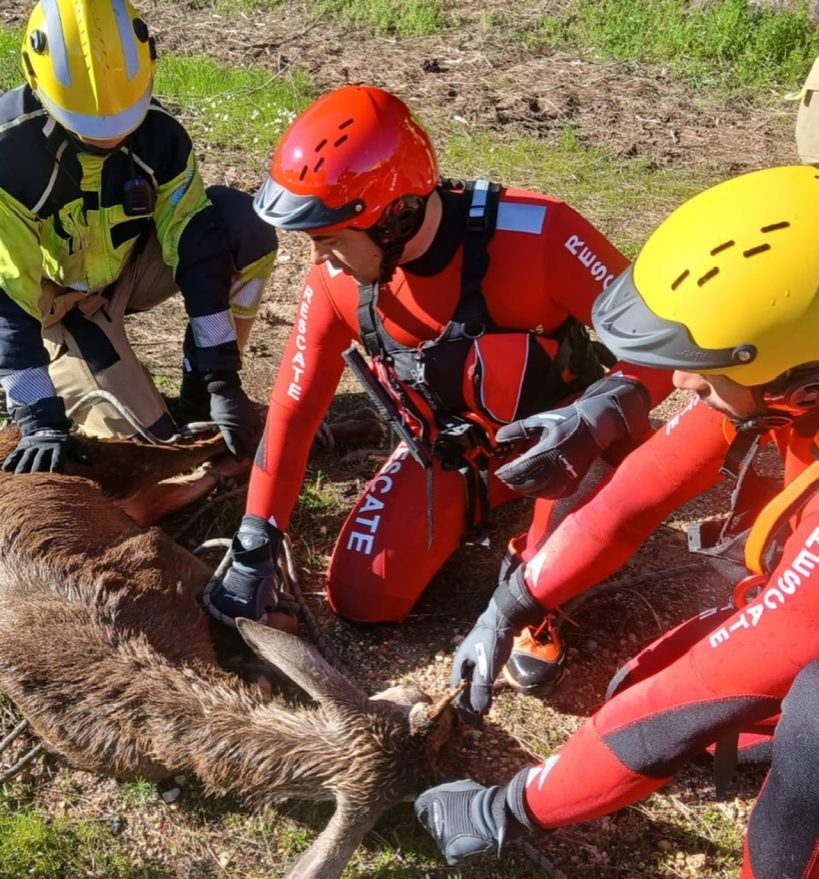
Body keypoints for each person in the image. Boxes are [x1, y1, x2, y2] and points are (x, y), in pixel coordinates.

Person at [415, 164, 819, 879]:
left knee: (813, 717)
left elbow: (701, 693)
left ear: (795, 384)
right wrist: (512, 602)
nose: (683, 388)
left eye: (704, 374)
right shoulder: (792, 377)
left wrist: (512, 804)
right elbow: (638, 497)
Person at [203, 83, 670, 683]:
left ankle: (542, 582)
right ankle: (491, 504)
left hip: (568, 443)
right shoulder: (336, 282)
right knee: (361, 597)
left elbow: (658, 352)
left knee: (556, 514)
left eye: (330, 239)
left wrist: (596, 419)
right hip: (452, 450)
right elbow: (293, 412)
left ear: (396, 216)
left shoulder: (541, 234)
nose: (320, 260)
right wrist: (254, 541)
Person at [0, 0, 278, 474]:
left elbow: (198, 247)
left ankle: (198, 390)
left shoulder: (161, 137)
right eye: (87, 130)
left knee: (242, 228)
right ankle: (65, 371)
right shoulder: (8, 154)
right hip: (52, 305)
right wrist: (39, 415)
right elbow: (8, 296)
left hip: (129, 271)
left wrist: (220, 380)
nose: (108, 139)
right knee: (154, 452)